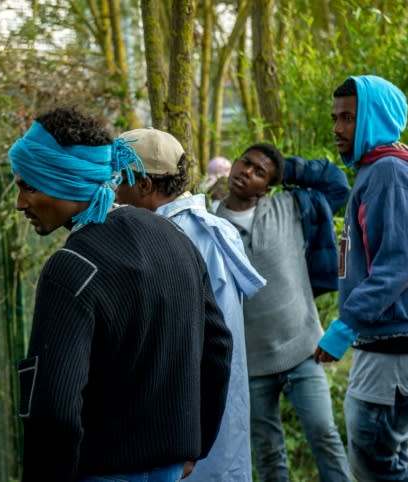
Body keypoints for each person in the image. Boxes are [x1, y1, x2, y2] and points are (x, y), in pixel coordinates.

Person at [8, 107, 233, 482]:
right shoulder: (172, 238)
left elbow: (55, 408)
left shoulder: (71, 266)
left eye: (29, 186)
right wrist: (194, 446)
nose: (20, 203)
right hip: (171, 468)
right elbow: (217, 348)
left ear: (66, 181)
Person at [115, 128, 265, 482]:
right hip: (213, 407)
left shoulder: (170, 238)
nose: (115, 191)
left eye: (120, 179)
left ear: (145, 186)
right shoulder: (215, 228)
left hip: (185, 417)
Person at [315, 74, 408, 481]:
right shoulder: (377, 170)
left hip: (396, 348)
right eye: (335, 117)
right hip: (388, 344)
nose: (337, 128)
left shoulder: (388, 172)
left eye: (348, 118)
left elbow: (399, 264)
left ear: (375, 118)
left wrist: (343, 326)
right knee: (383, 461)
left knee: (377, 462)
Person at [214, 142, 351, 482]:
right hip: (250, 363)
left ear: (268, 187)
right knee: (268, 451)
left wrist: (283, 166)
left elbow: (337, 184)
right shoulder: (211, 222)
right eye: (246, 163)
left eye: (259, 172)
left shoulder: (291, 207)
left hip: (302, 349)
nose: (247, 171)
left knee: (324, 434)